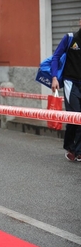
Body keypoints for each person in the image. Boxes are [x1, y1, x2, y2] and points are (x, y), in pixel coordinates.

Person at [51, 18, 81, 162]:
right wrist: (54, 77)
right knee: (75, 117)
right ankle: (70, 147)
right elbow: (56, 57)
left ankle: (79, 150)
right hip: (71, 83)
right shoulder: (70, 38)